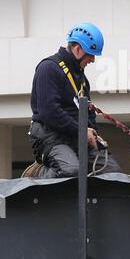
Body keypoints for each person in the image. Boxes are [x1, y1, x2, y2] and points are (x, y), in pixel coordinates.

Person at [28, 22, 121, 178]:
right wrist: (82, 130)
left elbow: (88, 113)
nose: (92, 60)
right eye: (91, 54)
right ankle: (37, 176)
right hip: (50, 137)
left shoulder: (82, 79)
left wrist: (93, 133)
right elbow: (49, 112)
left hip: (76, 136)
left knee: (112, 174)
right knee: (70, 170)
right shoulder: (49, 68)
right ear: (78, 49)